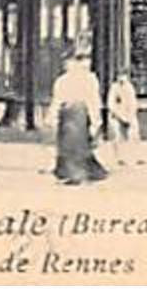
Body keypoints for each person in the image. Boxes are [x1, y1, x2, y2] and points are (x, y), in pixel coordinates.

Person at [49, 36, 107, 186]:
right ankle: (69, 172)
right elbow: (57, 99)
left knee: (78, 144)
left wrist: (96, 120)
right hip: (68, 115)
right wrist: (53, 116)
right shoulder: (63, 81)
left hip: (79, 114)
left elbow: (93, 101)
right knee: (68, 145)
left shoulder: (89, 79)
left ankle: (78, 173)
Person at [106, 69, 140, 166]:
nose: (122, 78)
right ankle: (118, 158)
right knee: (117, 136)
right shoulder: (114, 88)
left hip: (129, 114)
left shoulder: (130, 87)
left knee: (134, 135)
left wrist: (130, 115)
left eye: (124, 75)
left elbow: (133, 102)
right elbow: (111, 104)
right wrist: (120, 116)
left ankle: (133, 157)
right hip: (116, 115)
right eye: (120, 75)